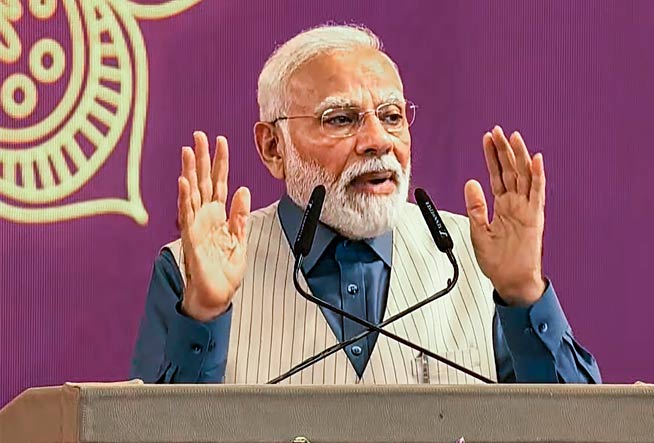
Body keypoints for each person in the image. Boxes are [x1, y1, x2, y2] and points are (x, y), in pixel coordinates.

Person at [130, 24, 601, 385]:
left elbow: (582, 432)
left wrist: (523, 294)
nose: (377, 141)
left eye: (392, 116)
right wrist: (205, 313)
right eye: (341, 119)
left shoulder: (477, 262)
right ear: (274, 147)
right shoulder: (187, 270)